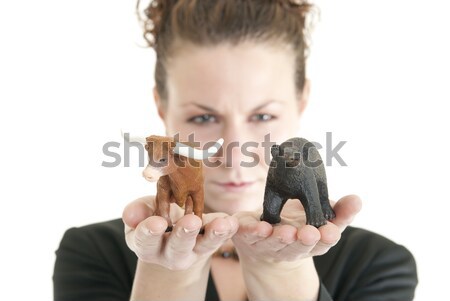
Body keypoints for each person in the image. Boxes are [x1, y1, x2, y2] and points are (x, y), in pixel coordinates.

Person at [53, 0, 418, 300]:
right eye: (202, 117)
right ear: (162, 108)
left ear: (301, 101)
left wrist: (281, 270)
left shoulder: (377, 264)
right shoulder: (92, 254)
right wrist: (166, 277)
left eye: (262, 115)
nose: (233, 151)